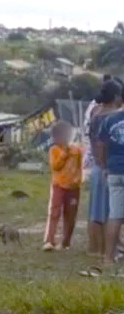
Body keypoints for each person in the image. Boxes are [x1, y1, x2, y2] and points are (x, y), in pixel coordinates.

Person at [85, 80, 123, 259]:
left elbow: (96, 143)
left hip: (98, 167)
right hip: (110, 167)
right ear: (116, 96)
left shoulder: (95, 112)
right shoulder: (113, 116)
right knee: (112, 212)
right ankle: (110, 251)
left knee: (96, 212)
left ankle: (96, 249)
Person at [96, 82, 124, 271]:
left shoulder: (108, 120)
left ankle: (107, 258)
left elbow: (100, 146)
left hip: (114, 172)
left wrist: (104, 167)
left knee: (115, 216)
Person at [42, 122, 82, 251]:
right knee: (54, 212)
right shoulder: (54, 150)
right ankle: (49, 240)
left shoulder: (77, 150)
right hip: (59, 186)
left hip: (73, 187)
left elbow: (80, 165)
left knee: (70, 215)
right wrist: (64, 154)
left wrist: (79, 178)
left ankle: (65, 242)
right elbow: (55, 166)